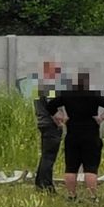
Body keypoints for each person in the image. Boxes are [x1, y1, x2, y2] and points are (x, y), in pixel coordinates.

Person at [46, 72, 104, 202]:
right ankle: (92, 197)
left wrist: (62, 118)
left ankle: (71, 196)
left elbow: (50, 105)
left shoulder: (66, 94)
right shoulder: (95, 94)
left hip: (72, 133)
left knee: (71, 167)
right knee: (90, 167)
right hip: (91, 134)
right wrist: (101, 118)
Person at [33, 61, 67, 193]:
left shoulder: (39, 87)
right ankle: (46, 186)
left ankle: (39, 183)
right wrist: (61, 123)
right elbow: (52, 108)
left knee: (45, 155)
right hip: (50, 125)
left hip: (42, 123)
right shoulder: (50, 88)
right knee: (49, 157)